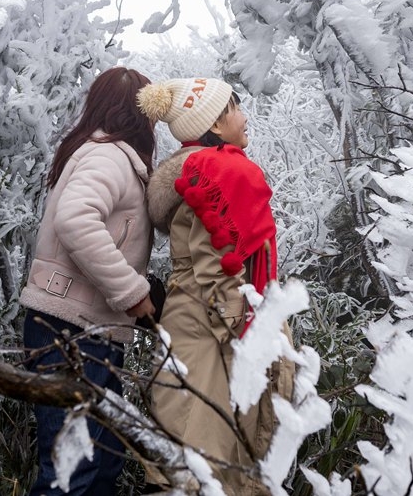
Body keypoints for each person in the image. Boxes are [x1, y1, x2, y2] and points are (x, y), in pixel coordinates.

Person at [137, 77, 294, 495]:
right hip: (212, 332)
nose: (245, 118)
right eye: (235, 109)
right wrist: (244, 335)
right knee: (204, 454)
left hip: (191, 322)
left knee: (187, 443)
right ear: (215, 125)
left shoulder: (198, 174)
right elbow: (217, 265)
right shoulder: (216, 173)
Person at [19, 67, 158, 496]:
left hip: (84, 327)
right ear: (139, 114)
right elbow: (77, 220)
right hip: (74, 330)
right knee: (70, 472)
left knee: (100, 464)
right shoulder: (109, 156)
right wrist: (132, 292)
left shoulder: (101, 153)